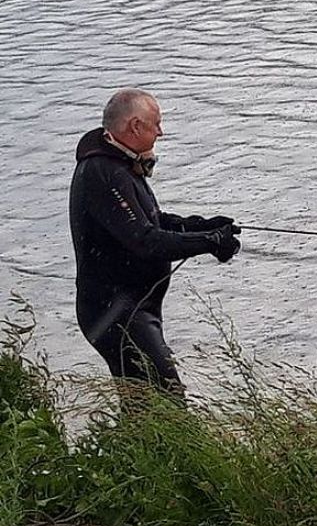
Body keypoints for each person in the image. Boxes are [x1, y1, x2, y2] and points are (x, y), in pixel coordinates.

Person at [69, 89, 241, 400]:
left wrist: (203, 225)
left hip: (133, 307)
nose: (160, 131)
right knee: (169, 402)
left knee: (144, 407)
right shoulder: (102, 173)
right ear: (135, 126)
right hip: (114, 312)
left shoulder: (119, 162)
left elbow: (153, 221)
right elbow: (146, 242)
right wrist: (209, 242)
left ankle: (132, 447)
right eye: (155, 124)